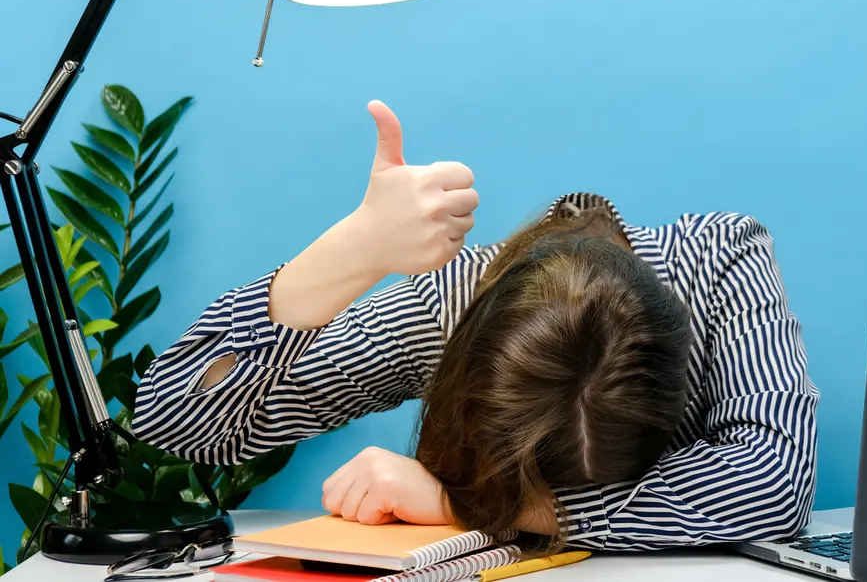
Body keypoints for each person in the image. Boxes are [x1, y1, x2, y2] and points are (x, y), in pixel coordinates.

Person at [132, 101, 819, 552]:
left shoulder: (721, 260)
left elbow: (773, 485)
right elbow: (179, 422)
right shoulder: (448, 306)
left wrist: (474, 506)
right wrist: (347, 256)